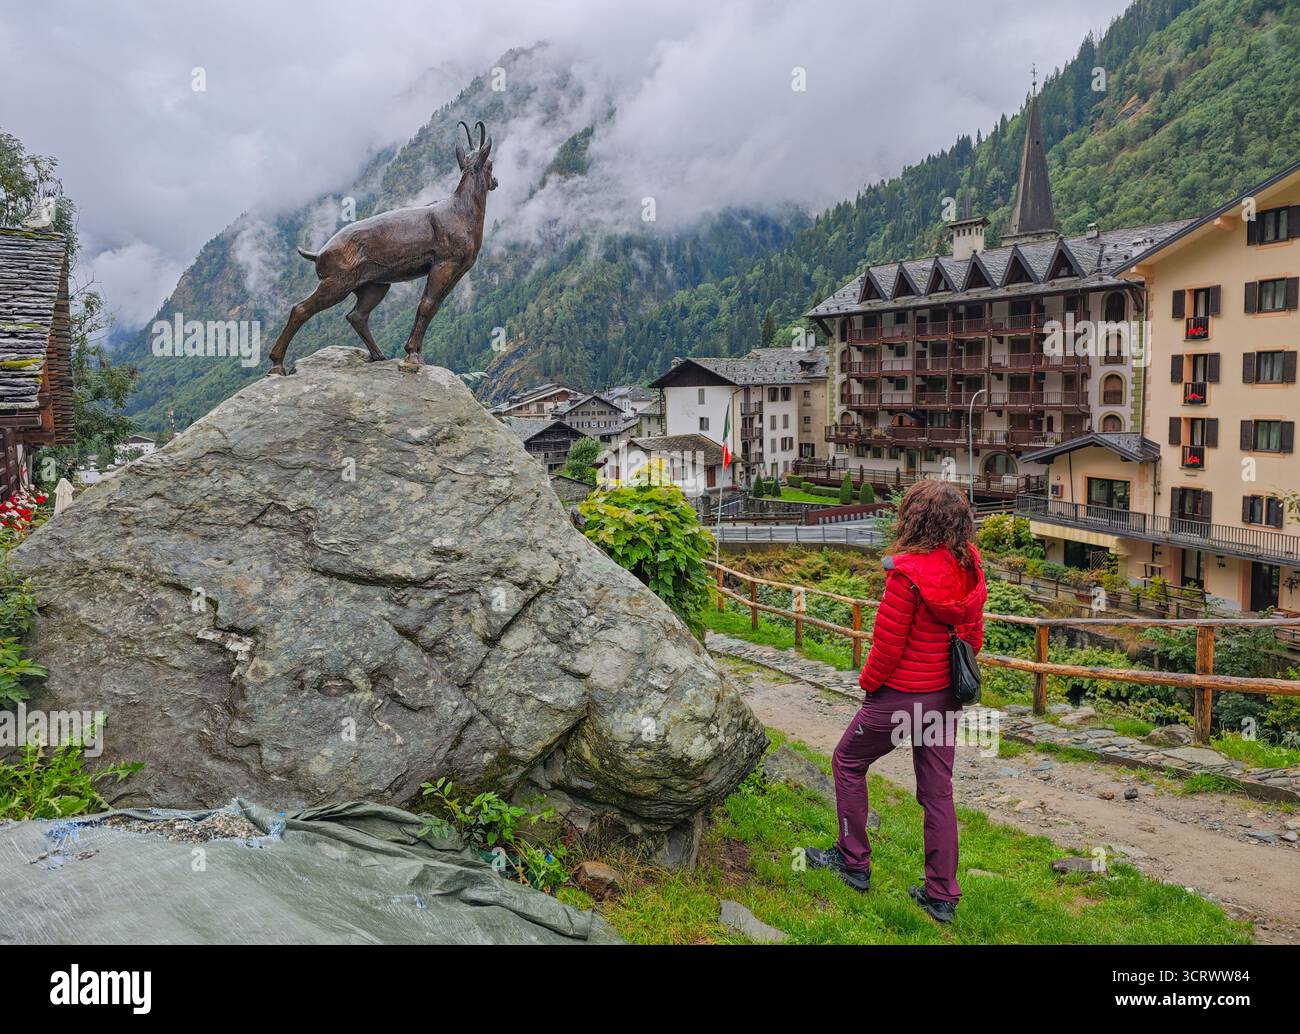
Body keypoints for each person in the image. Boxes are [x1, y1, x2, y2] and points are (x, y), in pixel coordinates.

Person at [804, 479, 986, 923]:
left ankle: (853, 862)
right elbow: (974, 639)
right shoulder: (972, 569)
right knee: (938, 792)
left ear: (913, 518)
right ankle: (941, 894)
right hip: (945, 698)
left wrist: (869, 687)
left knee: (848, 762)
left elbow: (886, 647)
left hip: (901, 696)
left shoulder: (905, 572)